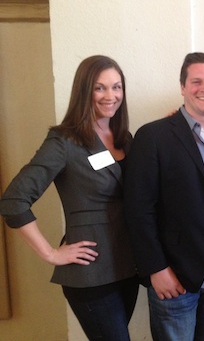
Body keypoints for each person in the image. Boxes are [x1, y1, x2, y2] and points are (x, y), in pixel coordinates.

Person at [0, 55, 139, 341]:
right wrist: (51, 253)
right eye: (99, 88)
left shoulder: (125, 138)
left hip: (128, 265)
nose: (110, 96)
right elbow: (14, 200)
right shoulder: (64, 141)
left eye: (117, 87)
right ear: (83, 90)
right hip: (90, 274)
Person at [123, 52, 204, 341]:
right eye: (196, 81)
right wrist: (155, 268)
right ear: (182, 87)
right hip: (174, 278)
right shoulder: (153, 137)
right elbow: (138, 210)